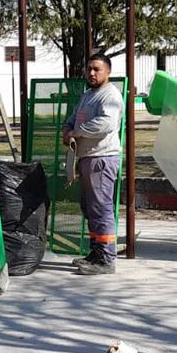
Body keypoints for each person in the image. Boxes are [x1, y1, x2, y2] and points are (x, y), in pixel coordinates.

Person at [60, 53, 123, 275]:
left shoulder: (110, 95)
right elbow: (73, 117)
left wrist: (76, 132)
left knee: (101, 208)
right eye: (89, 69)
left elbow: (106, 123)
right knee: (90, 208)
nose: (92, 73)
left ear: (108, 72)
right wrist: (67, 129)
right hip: (87, 158)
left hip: (101, 158)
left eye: (97, 69)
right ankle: (97, 252)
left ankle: (106, 259)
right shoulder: (88, 95)